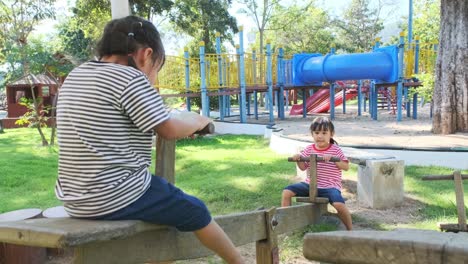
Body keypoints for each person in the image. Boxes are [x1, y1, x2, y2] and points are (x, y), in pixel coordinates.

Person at [55, 15, 243, 264]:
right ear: (146, 55)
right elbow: (168, 128)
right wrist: (198, 120)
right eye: (156, 68)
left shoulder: (77, 76)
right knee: (195, 210)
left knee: (162, 210)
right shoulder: (130, 78)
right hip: (116, 193)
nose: (153, 77)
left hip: (75, 199)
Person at [281, 117, 352, 231]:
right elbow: (303, 167)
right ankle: (286, 224)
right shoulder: (309, 149)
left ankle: (350, 229)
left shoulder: (335, 150)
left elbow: (346, 167)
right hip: (310, 185)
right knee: (286, 192)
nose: (320, 136)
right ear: (312, 134)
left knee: (339, 205)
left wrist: (334, 159)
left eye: (324, 133)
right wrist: (299, 159)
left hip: (330, 186)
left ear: (331, 134)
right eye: (317, 132)